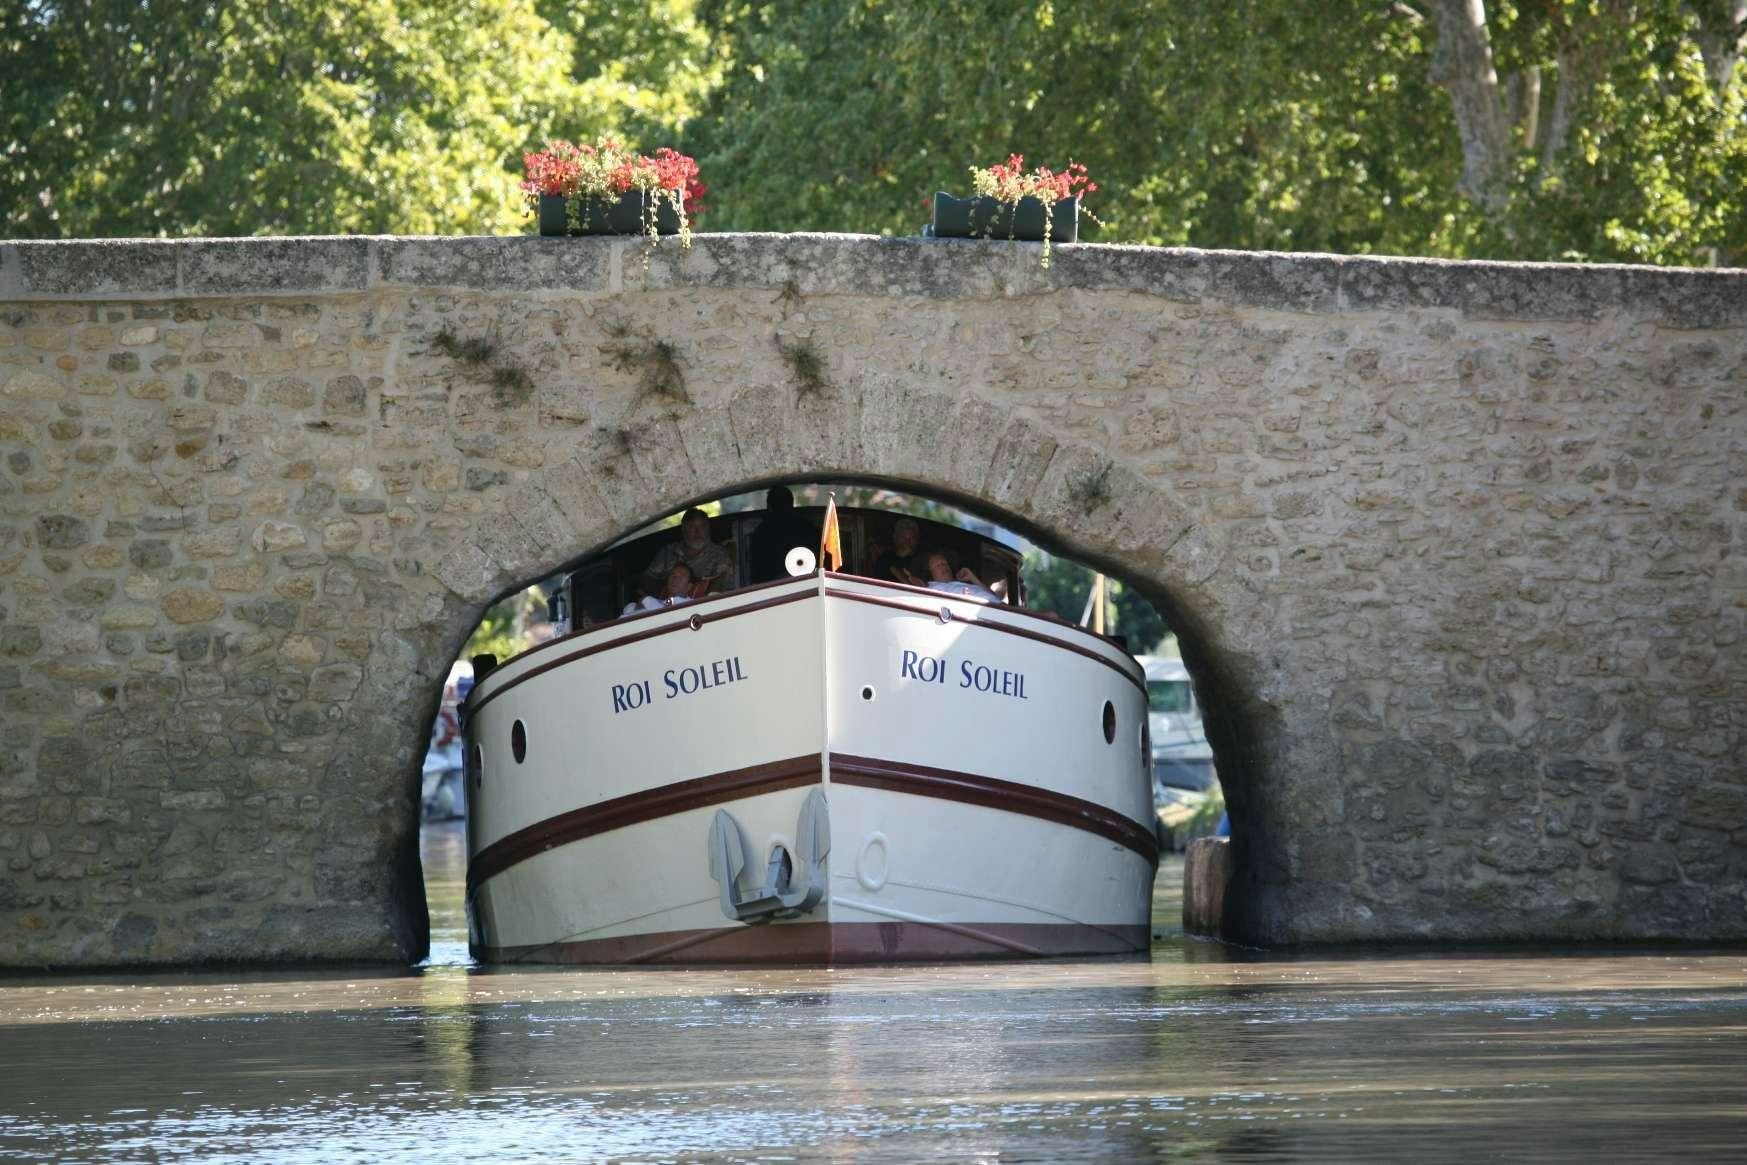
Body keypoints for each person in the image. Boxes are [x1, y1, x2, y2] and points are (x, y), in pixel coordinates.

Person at [639, 508, 731, 596]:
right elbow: (648, 578)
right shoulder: (668, 552)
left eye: (703, 526)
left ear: (708, 528)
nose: (698, 531)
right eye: (691, 526)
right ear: (683, 529)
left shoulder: (719, 555)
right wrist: (663, 594)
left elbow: (722, 584)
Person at [746, 486, 818, 583]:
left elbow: (756, 571)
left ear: (769, 507)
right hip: (809, 582)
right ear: (791, 504)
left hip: (770, 587)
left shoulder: (761, 532)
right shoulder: (807, 527)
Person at [922, 549, 1000, 603]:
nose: (944, 566)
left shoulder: (961, 585)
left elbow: (995, 597)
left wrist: (972, 577)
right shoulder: (932, 589)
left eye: (945, 563)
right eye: (938, 565)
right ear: (930, 572)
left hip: (1001, 610)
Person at [623, 563, 696, 616]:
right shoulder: (662, 602)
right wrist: (637, 606)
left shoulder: (691, 605)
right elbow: (627, 610)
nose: (675, 579)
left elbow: (666, 614)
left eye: (681, 576)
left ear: (689, 586)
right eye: (673, 575)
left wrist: (645, 600)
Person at [871, 517, 925, 586]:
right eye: (903, 537)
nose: (907, 542)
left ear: (917, 540)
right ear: (895, 537)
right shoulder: (885, 559)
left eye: (912, 538)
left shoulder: (923, 560)